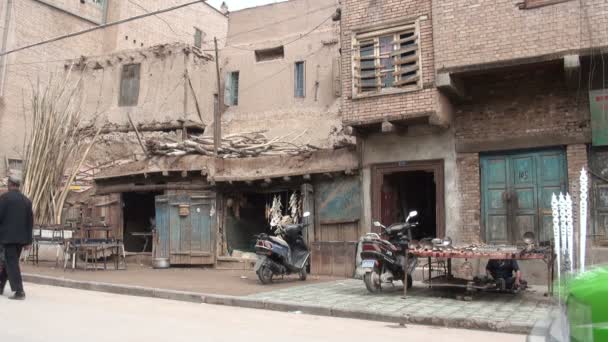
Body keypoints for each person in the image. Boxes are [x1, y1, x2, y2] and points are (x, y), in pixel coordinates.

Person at [0, 173, 33, 300]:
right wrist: (29, 241)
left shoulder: (4, 199)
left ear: (10, 184)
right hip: (21, 239)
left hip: (7, 238)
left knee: (11, 262)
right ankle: (1, 285)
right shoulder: (26, 201)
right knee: (8, 262)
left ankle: (19, 291)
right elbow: (30, 222)